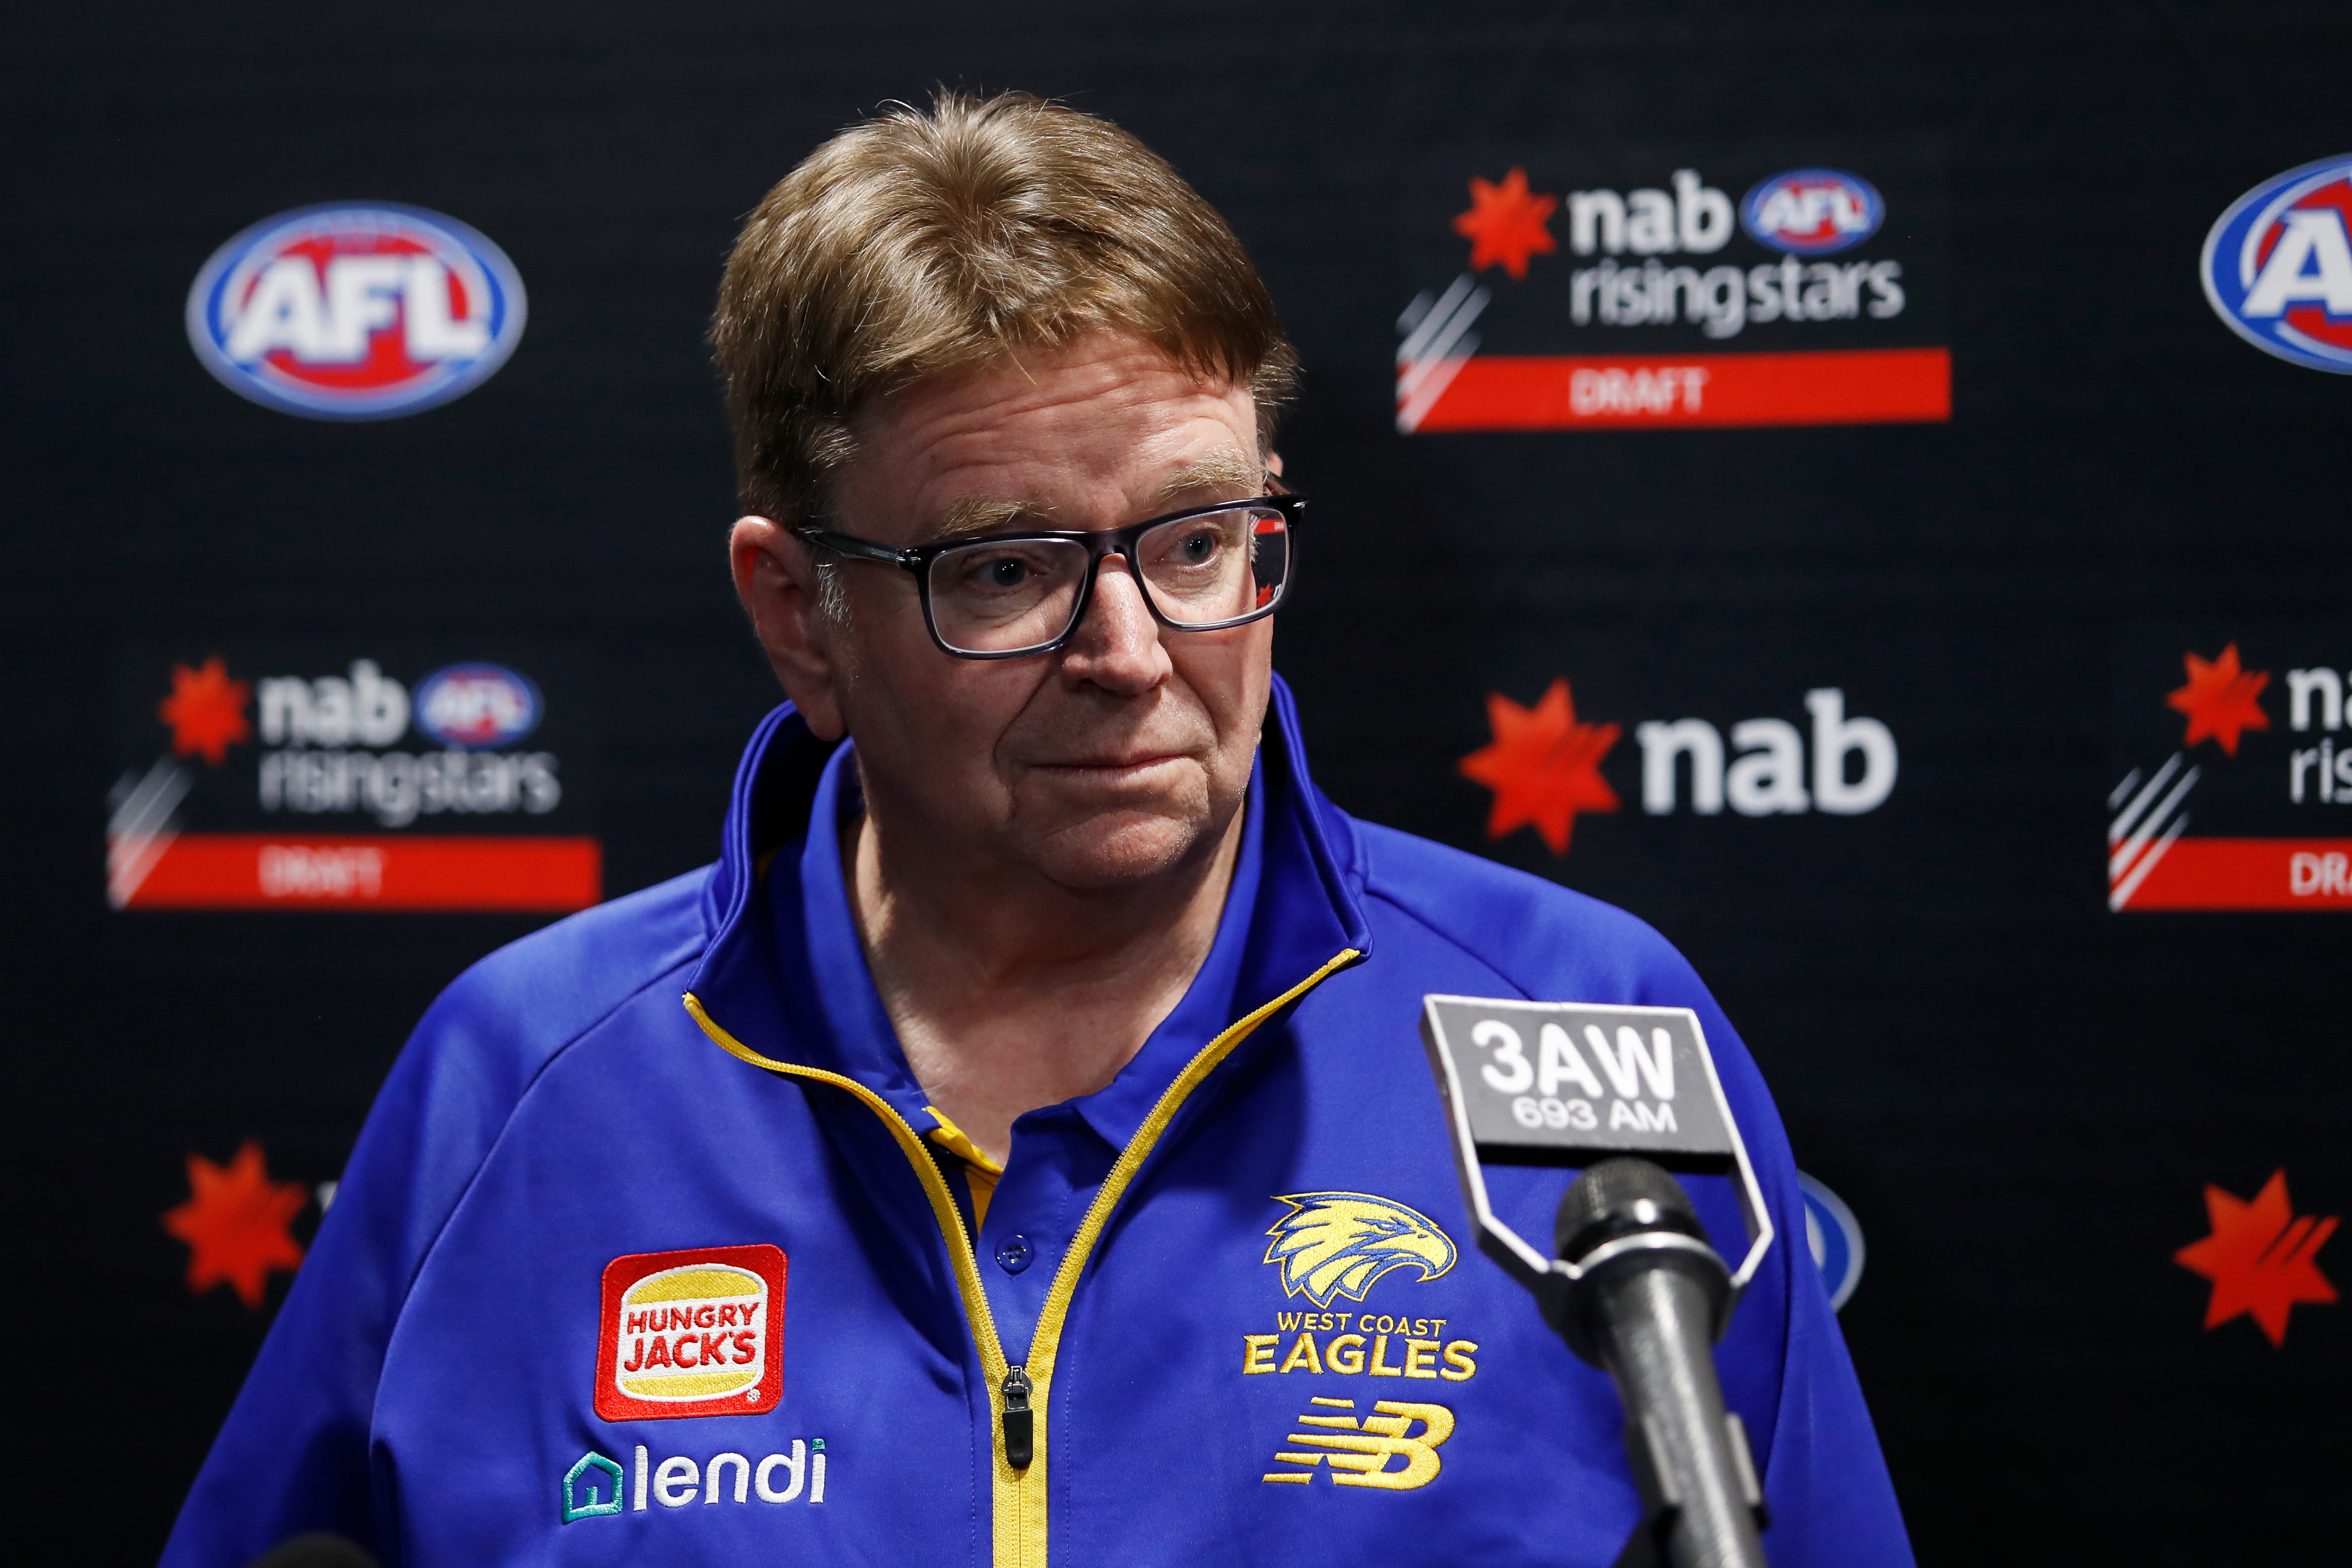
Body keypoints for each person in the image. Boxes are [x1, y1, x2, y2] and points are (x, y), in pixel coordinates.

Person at [164, 91, 1912, 1567]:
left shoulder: (1588, 1028)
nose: (1136, 656)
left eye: (1201, 541)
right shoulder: (522, 1076)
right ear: (799, 617)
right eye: (1004, 570)